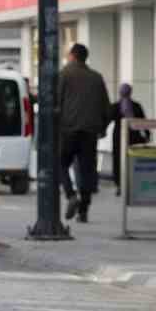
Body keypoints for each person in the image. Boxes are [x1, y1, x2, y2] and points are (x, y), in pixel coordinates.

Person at [55, 43, 111, 223]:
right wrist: (101, 128)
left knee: (61, 163)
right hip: (90, 131)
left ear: (72, 56)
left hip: (68, 129)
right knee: (87, 169)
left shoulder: (64, 74)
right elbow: (106, 108)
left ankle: (71, 195)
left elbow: (56, 102)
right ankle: (84, 211)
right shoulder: (96, 77)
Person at [110, 83, 147, 196]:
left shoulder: (115, 106)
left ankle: (119, 185)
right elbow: (143, 122)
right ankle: (133, 185)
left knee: (118, 161)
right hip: (134, 137)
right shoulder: (136, 106)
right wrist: (147, 134)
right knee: (133, 160)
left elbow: (107, 119)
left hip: (118, 137)